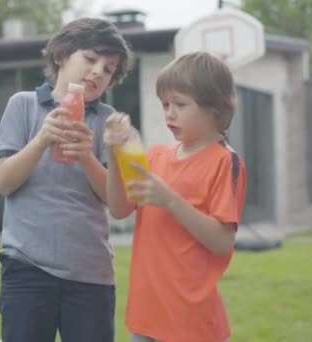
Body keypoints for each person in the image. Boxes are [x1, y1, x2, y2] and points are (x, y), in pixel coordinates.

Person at [0, 17, 132, 342]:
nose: (98, 71)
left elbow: (118, 202)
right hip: (26, 267)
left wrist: (85, 154)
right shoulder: (23, 106)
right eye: (91, 58)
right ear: (61, 56)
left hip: (91, 274)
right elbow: (4, 182)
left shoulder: (109, 123)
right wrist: (42, 139)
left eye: (108, 68)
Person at [104, 51, 247, 342]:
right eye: (165, 104)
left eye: (180, 104)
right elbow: (118, 209)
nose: (169, 113)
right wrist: (112, 151)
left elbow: (222, 242)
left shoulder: (225, 162)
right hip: (145, 318)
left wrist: (170, 200)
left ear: (215, 108)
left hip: (192, 325)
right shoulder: (155, 157)